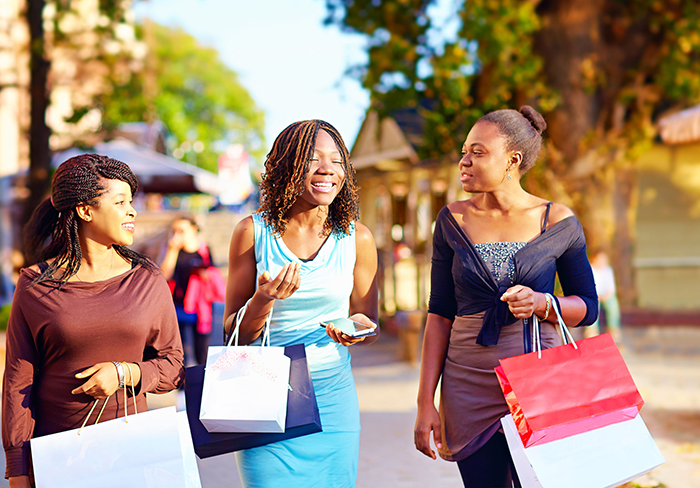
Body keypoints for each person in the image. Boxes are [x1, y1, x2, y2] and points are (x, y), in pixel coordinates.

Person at [414, 106, 599, 488]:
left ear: (512, 160)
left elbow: (588, 307)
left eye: (478, 152)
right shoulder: (451, 221)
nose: (464, 161)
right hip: (467, 382)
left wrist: (544, 303)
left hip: (540, 376)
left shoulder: (558, 220)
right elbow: (440, 314)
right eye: (465, 151)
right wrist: (424, 403)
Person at [1, 154, 184, 487]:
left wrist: (124, 372)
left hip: (132, 454)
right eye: (120, 202)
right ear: (85, 210)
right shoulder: (35, 284)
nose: (132, 211)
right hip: (57, 454)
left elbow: (173, 365)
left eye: (132, 201)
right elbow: (18, 382)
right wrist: (18, 467)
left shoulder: (146, 279)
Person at [223, 119, 379, 488]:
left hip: (333, 402)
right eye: (313, 159)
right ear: (286, 167)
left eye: (337, 161)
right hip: (265, 398)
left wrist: (356, 331)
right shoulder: (251, 232)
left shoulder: (358, 238)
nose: (327, 169)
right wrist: (263, 299)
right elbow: (232, 332)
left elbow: (370, 323)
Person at [160, 215, 223, 366]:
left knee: (201, 348)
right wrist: (172, 250)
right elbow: (164, 275)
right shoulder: (172, 250)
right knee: (178, 349)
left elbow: (213, 271)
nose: (178, 235)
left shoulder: (204, 249)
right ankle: (181, 384)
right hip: (177, 305)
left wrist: (205, 274)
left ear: (193, 230)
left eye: (182, 230)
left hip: (200, 307)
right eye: (175, 231)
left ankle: (200, 381)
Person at [590, 250, 622, 342]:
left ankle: (615, 334)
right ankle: (591, 333)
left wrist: (605, 296)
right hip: (595, 295)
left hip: (606, 296)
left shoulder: (608, 270)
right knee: (593, 306)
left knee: (613, 305)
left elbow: (611, 289)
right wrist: (598, 296)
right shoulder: (591, 269)